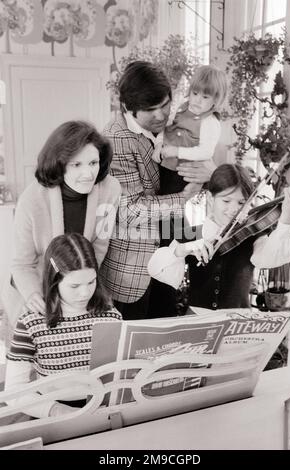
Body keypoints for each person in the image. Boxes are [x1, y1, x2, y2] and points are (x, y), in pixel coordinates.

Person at [101, 61, 205, 320]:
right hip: (133, 270)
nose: (161, 115)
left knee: (164, 345)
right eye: (150, 109)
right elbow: (130, 210)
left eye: (165, 104)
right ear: (127, 107)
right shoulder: (116, 139)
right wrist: (184, 198)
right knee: (132, 351)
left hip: (167, 259)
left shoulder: (173, 127)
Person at [1, 120, 121, 335]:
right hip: (35, 291)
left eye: (93, 163)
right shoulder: (32, 199)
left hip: (78, 294)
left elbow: (100, 245)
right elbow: (21, 264)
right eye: (77, 165)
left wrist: (80, 288)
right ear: (59, 163)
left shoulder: (110, 190)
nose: (88, 174)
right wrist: (36, 297)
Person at [148, 163, 290, 309]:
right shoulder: (191, 234)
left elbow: (269, 258)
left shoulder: (252, 235)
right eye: (226, 200)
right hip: (198, 320)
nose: (234, 209)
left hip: (237, 326)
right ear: (210, 198)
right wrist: (181, 249)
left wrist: (288, 217)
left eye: (241, 202)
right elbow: (156, 270)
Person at [5, 233, 122, 419]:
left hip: (101, 408)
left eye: (91, 282)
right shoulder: (31, 322)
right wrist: (56, 410)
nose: (85, 293)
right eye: (74, 286)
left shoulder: (111, 315)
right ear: (54, 281)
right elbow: (13, 391)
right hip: (50, 411)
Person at [156, 64, 227, 195]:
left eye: (205, 97)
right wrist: (159, 143)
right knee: (157, 195)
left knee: (173, 204)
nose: (197, 100)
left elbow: (205, 152)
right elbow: (166, 127)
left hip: (183, 173)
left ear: (215, 100)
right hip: (166, 164)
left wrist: (177, 151)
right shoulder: (183, 108)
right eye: (195, 93)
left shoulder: (210, 122)